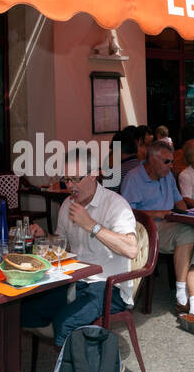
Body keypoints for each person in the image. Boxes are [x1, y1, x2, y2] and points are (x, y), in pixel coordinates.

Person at [23, 147, 139, 346]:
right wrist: (44, 236)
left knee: (65, 324)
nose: (70, 185)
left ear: (94, 174)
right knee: (27, 310)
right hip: (75, 280)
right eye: (66, 179)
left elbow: (131, 249)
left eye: (76, 179)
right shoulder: (68, 204)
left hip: (109, 285)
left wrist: (90, 225)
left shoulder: (115, 205)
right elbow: (63, 244)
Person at [120, 142, 194, 338]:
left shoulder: (167, 175)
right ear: (152, 160)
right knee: (188, 235)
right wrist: (157, 213)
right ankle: (182, 295)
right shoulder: (134, 179)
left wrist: (190, 215)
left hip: (170, 225)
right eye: (166, 161)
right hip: (146, 231)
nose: (171, 165)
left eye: (172, 161)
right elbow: (126, 214)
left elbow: (179, 201)